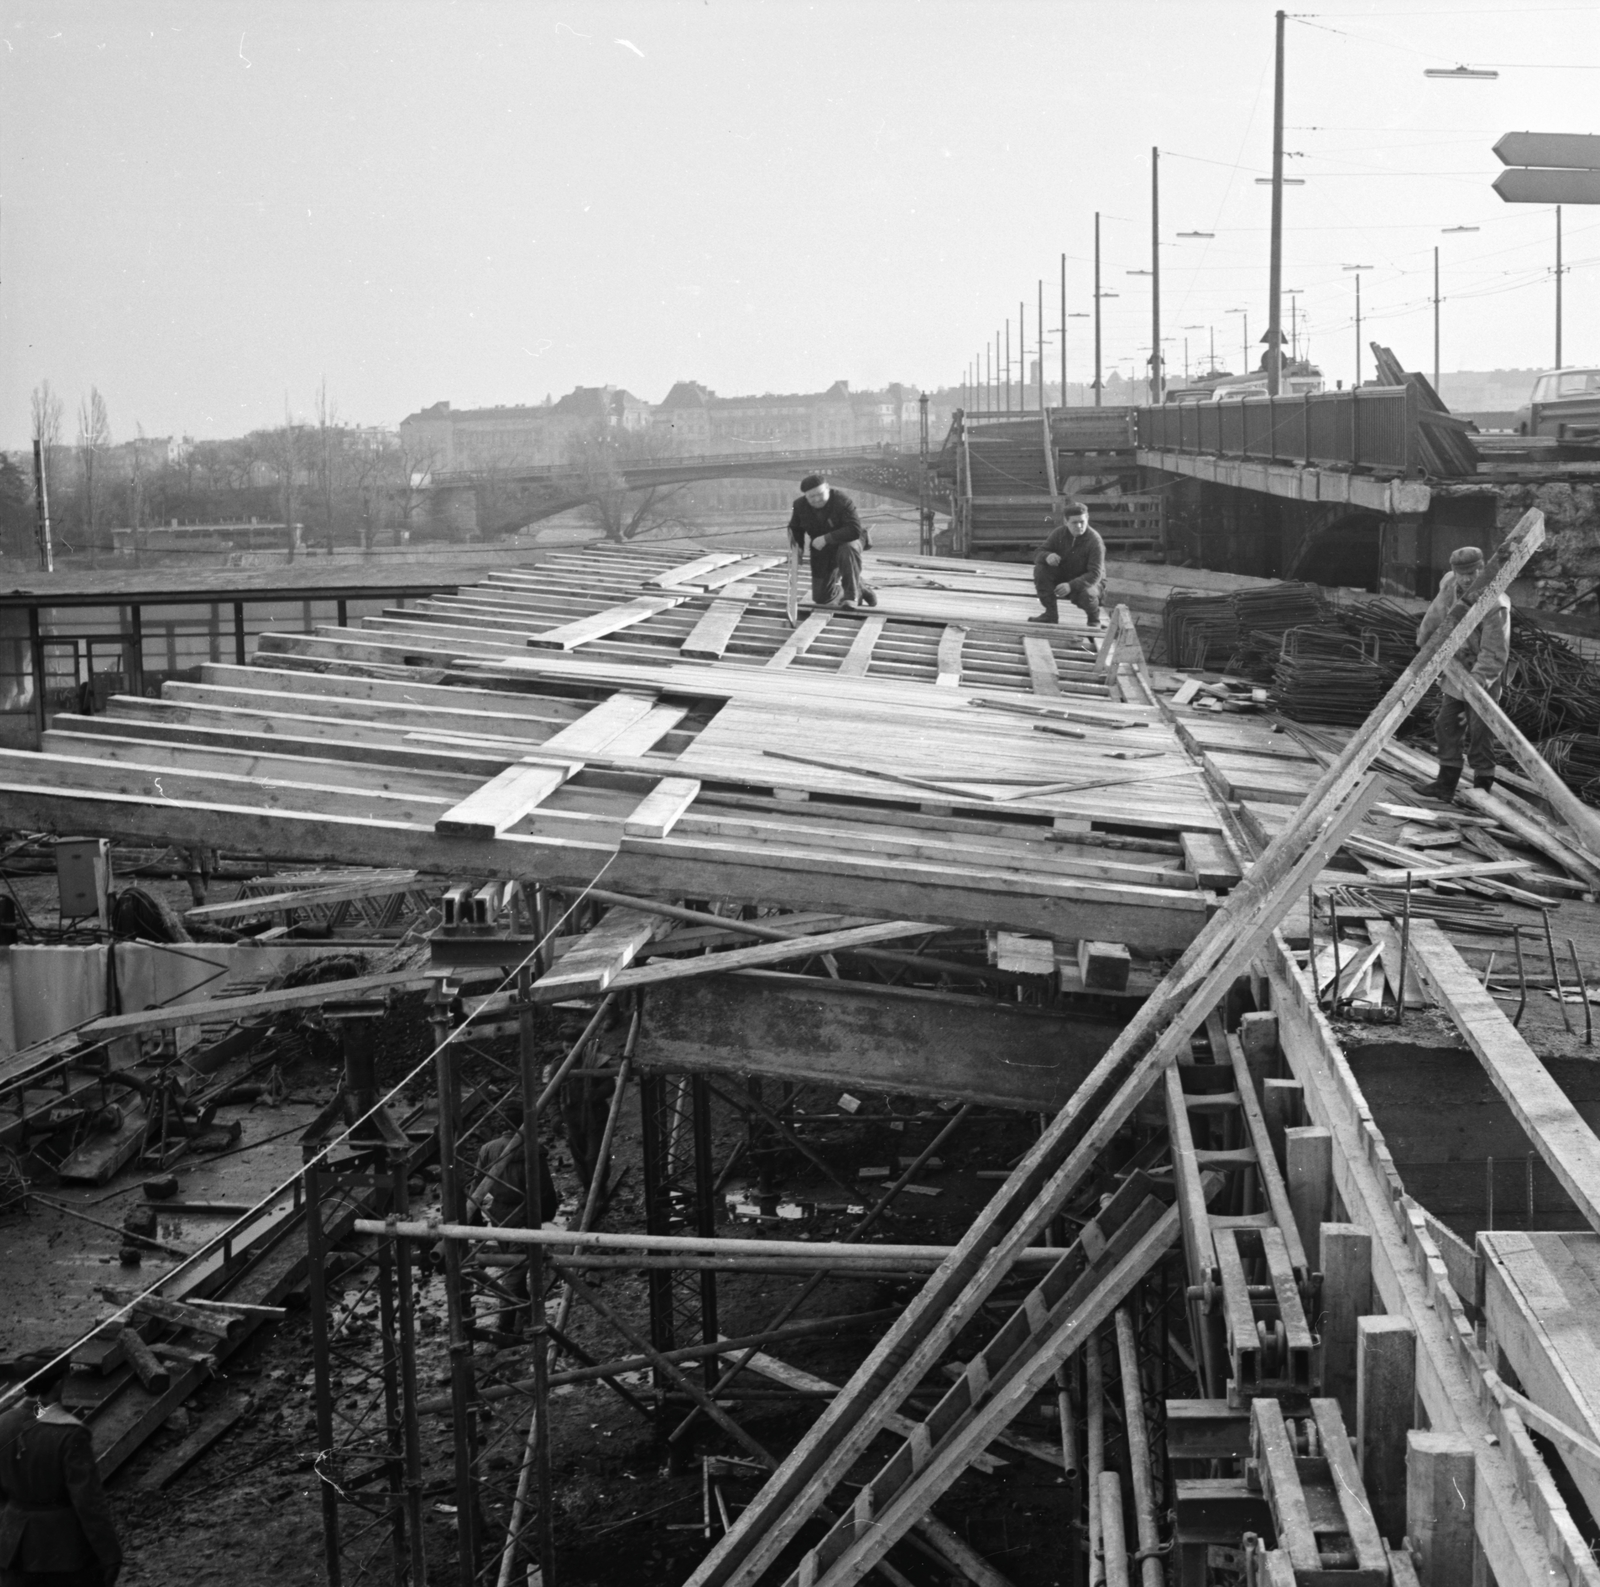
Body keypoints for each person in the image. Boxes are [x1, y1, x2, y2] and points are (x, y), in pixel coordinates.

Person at [1413, 544, 1510, 801]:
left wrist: (1474, 691)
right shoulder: (1450, 584)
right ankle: (1445, 785)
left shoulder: (1495, 605)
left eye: (1473, 572)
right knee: (1445, 724)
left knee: (1480, 733)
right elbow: (1436, 615)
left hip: (1482, 678)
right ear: (1453, 572)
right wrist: (1426, 646)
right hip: (1456, 670)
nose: (1467, 579)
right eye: (1461, 573)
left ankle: (1482, 793)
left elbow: (1494, 654)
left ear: (1483, 569)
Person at [0, 1396, 122, 1587]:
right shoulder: (70, 1432)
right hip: (64, 1553)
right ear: (57, 1383)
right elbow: (88, 1503)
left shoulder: (3, 1422)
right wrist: (110, 1554)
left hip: (12, 1550)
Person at [787, 473, 878, 610]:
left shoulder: (841, 500)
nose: (817, 499)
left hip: (851, 540)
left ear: (827, 488)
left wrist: (826, 538)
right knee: (821, 598)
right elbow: (795, 528)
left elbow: (853, 529)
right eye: (812, 496)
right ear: (805, 496)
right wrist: (798, 547)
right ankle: (859, 586)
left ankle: (851, 597)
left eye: (820, 494)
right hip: (823, 548)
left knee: (847, 548)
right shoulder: (799, 505)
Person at [1029, 500, 1107, 628]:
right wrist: (1047, 556)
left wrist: (1071, 586)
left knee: (1087, 594)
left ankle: (1094, 620)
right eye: (1074, 523)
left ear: (1087, 518)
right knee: (1041, 570)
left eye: (1082, 522)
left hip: (1091, 582)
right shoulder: (1059, 533)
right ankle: (1050, 614)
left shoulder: (1095, 542)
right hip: (1066, 574)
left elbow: (1095, 574)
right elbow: (1038, 553)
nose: (1079, 526)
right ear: (1066, 521)